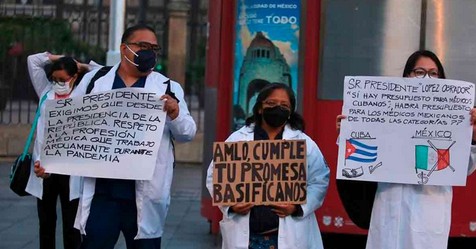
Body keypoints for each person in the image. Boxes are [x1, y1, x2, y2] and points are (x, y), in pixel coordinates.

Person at [72, 24, 196, 249]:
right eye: (143, 46)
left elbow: (188, 133)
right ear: (124, 49)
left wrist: (175, 113)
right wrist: (49, 163)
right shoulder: (93, 83)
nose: (149, 52)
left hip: (145, 196)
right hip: (103, 193)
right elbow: (70, 126)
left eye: (154, 48)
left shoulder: (168, 87)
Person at [336, 50, 476, 249]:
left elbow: (465, 167)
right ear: (407, 76)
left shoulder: (454, 116)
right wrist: (349, 131)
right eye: (419, 72)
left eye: (433, 73)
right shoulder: (386, 108)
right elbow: (360, 157)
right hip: (389, 205)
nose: (427, 78)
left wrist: (474, 137)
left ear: (442, 78)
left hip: (429, 209)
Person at [207, 83, 330, 249]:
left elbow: (320, 180)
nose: (277, 108)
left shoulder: (304, 143)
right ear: (259, 108)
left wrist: (297, 207)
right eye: (271, 104)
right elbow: (214, 176)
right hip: (247, 237)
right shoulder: (237, 140)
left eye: (284, 105)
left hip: (288, 235)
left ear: (290, 111)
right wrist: (231, 205)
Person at [25, 52, 96, 249]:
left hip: (71, 170)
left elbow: (102, 71)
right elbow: (33, 61)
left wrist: (81, 66)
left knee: (71, 224)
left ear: (73, 78)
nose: (58, 83)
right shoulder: (45, 93)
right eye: (54, 79)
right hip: (45, 169)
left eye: (62, 79)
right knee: (46, 222)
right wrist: (58, 57)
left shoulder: (82, 94)